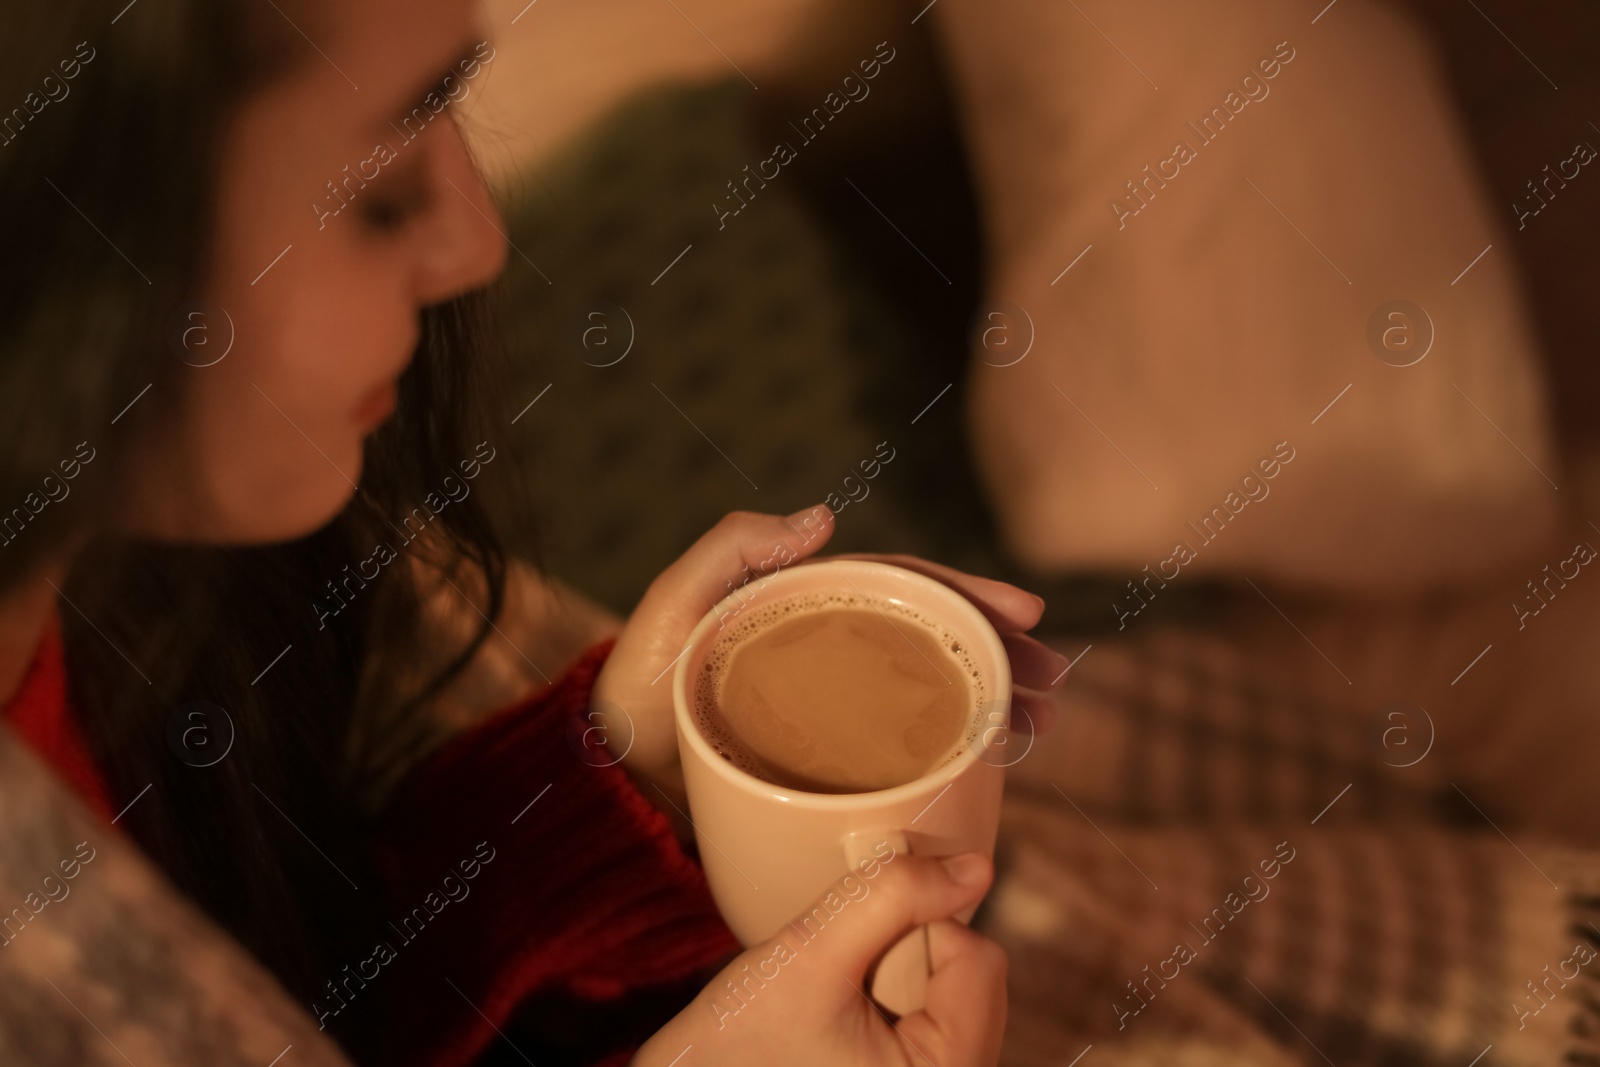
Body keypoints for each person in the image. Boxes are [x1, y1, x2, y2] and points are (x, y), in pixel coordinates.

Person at [0, 0, 1068, 1064]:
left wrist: (619, 779)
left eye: (454, 112)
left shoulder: (177, 585)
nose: (477, 243)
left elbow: (327, 997)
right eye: (378, 193)